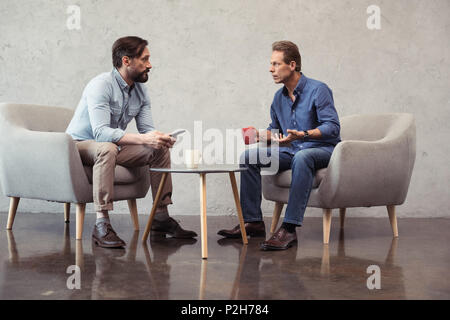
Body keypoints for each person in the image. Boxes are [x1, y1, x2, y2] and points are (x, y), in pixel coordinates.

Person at [66, 36, 197, 248]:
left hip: (111, 146)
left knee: (159, 150)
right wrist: (144, 138)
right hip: (79, 146)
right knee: (107, 148)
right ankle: (102, 225)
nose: (150, 65)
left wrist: (159, 138)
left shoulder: (141, 91)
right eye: (144, 59)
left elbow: (146, 130)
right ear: (126, 61)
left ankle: (161, 217)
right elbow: (100, 133)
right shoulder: (101, 85)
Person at [218, 41, 341, 250]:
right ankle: (253, 222)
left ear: (292, 65)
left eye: (276, 64)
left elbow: (333, 127)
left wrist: (302, 135)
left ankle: (289, 228)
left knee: (303, 157)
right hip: (291, 150)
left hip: (321, 150)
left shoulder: (318, 90)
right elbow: (277, 131)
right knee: (249, 157)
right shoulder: (278, 98)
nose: (270, 69)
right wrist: (260, 135)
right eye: (270, 64)